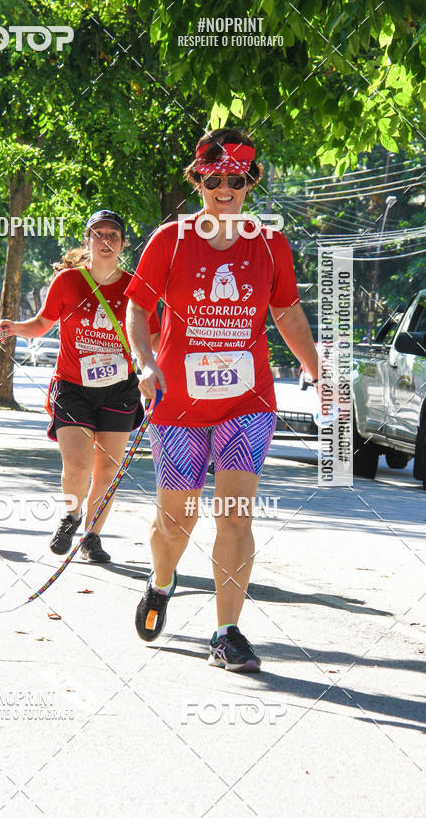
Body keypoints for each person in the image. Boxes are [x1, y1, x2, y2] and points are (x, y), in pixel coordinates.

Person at [126, 128, 319, 672]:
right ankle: (162, 582)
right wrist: (146, 361)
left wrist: (319, 374)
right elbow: (138, 309)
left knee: (234, 516)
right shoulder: (171, 239)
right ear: (200, 181)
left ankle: (227, 631)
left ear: (249, 182)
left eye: (236, 179)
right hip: (178, 403)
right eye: (215, 179)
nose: (226, 188)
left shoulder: (269, 243)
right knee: (176, 522)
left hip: (247, 402)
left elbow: (286, 314)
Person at [0, 210, 160, 563]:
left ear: (123, 243)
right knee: (78, 465)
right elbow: (43, 322)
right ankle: (71, 517)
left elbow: (156, 336)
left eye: (112, 236)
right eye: (97, 234)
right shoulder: (69, 282)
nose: (105, 241)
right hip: (73, 385)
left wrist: (161, 367)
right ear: (87, 241)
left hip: (120, 389)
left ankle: (92, 536)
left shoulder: (135, 287)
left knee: (107, 469)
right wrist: (15, 328)